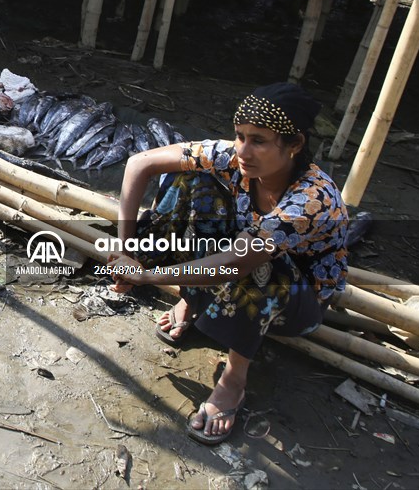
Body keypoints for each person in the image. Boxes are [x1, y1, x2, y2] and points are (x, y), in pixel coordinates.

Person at [109, 83, 348, 445]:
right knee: (189, 183)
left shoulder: (313, 199)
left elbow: (237, 263)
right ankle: (193, 298)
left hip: (295, 301)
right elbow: (140, 163)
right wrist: (125, 249)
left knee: (262, 268)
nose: (244, 150)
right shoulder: (235, 158)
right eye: (240, 136)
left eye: (259, 141)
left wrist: (146, 275)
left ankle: (234, 379)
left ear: (295, 144)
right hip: (240, 256)